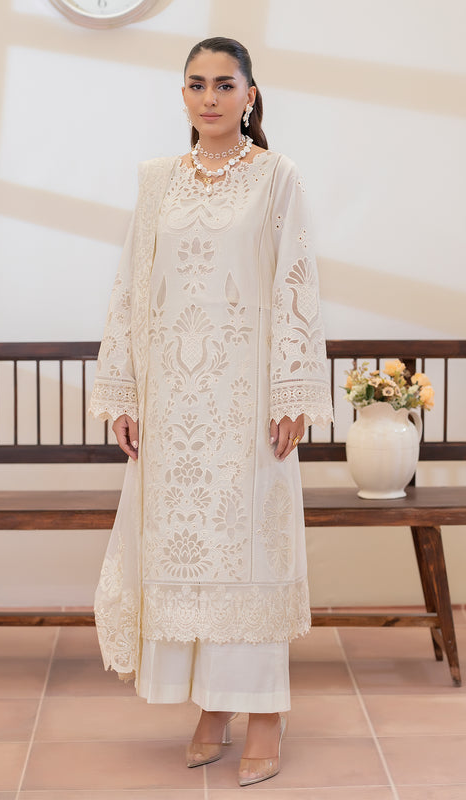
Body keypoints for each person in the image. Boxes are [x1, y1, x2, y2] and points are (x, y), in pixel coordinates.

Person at [89, 36, 333, 787]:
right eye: (195, 84)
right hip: (175, 404)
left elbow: (297, 282)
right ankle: (211, 707)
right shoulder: (157, 181)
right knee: (184, 558)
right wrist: (125, 394)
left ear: (250, 95)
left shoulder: (275, 178)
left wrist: (292, 391)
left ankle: (263, 714)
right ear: (183, 95)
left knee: (249, 556)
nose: (209, 98)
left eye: (224, 84)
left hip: (246, 403)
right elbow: (133, 286)